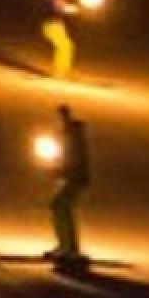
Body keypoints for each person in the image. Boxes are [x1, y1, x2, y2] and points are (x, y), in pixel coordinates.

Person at [44, 105, 92, 271]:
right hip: (73, 180)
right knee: (59, 207)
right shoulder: (71, 141)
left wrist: (59, 170)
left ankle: (70, 248)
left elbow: (72, 165)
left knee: (61, 207)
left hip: (76, 181)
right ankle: (65, 246)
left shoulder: (74, 142)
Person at [43, 0, 81, 79]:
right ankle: (58, 71)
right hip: (51, 25)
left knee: (68, 46)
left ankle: (64, 70)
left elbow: (68, 6)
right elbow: (64, 8)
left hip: (57, 26)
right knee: (64, 46)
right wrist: (78, 9)